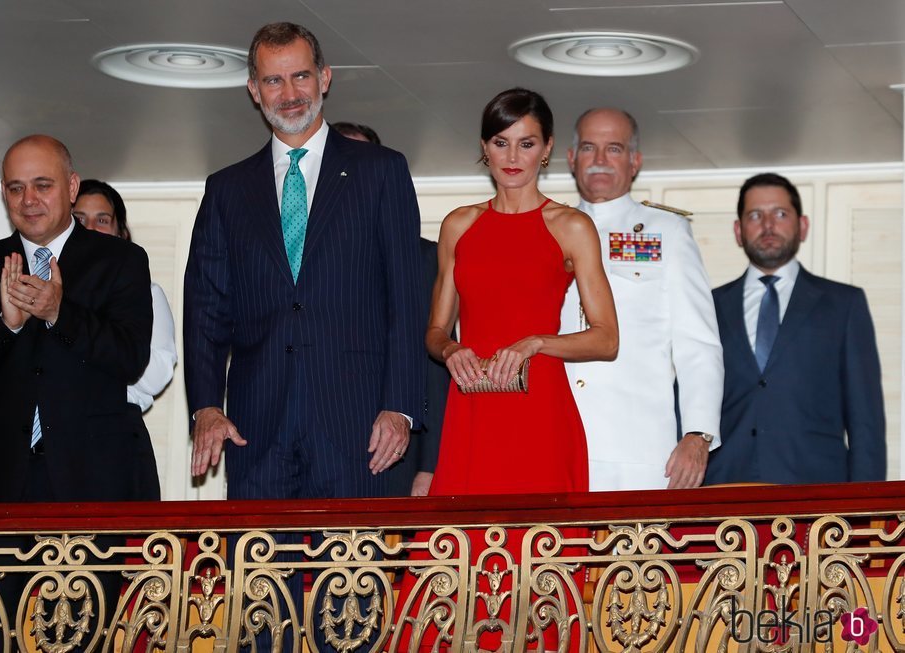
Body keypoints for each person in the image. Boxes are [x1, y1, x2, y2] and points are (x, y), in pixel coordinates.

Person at [402, 88, 617, 651]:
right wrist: (452, 353)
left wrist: (538, 342)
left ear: (547, 149)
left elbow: (606, 338)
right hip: (472, 415)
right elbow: (433, 331)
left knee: (538, 576)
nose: (513, 155)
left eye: (526, 142)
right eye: (501, 142)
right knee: (455, 578)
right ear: (485, 148)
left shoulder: (571, 226)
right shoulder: (459, 225)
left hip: (539, 415)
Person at [184, 22, 423, 500]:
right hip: (255, 430)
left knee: (351, 573)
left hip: (357, 426)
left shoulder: (381, 171)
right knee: (259, 573)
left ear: (325, 78)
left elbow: (407, 299)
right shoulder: (227, 190)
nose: (289, 93)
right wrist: (206, 406)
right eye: (273, 80)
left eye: (301, 77)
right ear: (254, 90)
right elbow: (206, 310)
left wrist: (400, 406)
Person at [0, 135, 158, 503]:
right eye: (16, 188)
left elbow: (130, 358)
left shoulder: (120, 261)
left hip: (92, 479)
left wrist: (59, 314)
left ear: (71, 187)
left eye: (42, 185)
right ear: (4, 192)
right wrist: (6, 327)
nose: (29, 200)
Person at [559, 107, 723, 491]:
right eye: (588, 148)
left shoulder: (666, 232)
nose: (599, 160)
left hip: (637, 451)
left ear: (635, 161)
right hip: (556, 442)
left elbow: (697, 345)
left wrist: (698, 434)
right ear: (571, 159)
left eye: (613, 149)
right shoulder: (545, 229)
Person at [705, 173, 885, 484]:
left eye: (780, 214)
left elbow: (865, 420)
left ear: (803, 226)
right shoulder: (709, 306)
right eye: (755, 215)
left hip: (818, 496)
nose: (768, 225)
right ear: (738, 230)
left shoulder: (844, 304)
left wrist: (867, 513)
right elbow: (687, 404)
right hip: (723, 492)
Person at [330, 120, 445, 497]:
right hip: (312, 449)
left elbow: (435, 363)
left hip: (394, 451)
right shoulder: (292, 255)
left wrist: (430, 467)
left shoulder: (421, 257)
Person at [73, 179, 177, 414]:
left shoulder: (147, 293)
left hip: (115, 428)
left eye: (102, 220)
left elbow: (156, 377)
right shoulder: (45, 293)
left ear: (120, 232)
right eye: (78, 219)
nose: (89, 228)